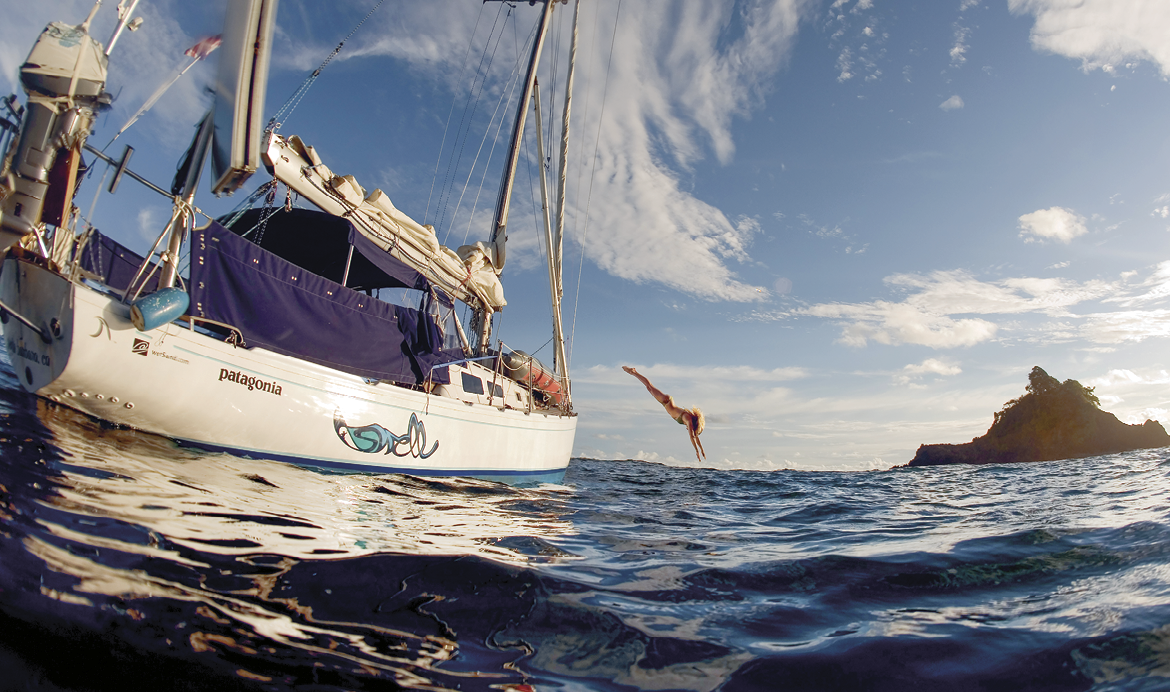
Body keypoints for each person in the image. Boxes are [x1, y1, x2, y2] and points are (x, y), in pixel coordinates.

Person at [623, 366, 705, 462]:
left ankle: (634, 373)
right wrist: (696, 451)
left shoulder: (688, 420)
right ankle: (634, 372)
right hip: (666, 401)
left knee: (649, 388)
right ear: (694, 425)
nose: (688, 429)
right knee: (649, 386)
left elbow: (695, 437)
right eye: (691, 429)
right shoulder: (688, 420)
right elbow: (692, 436)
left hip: (666, 403)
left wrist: (702, 450)